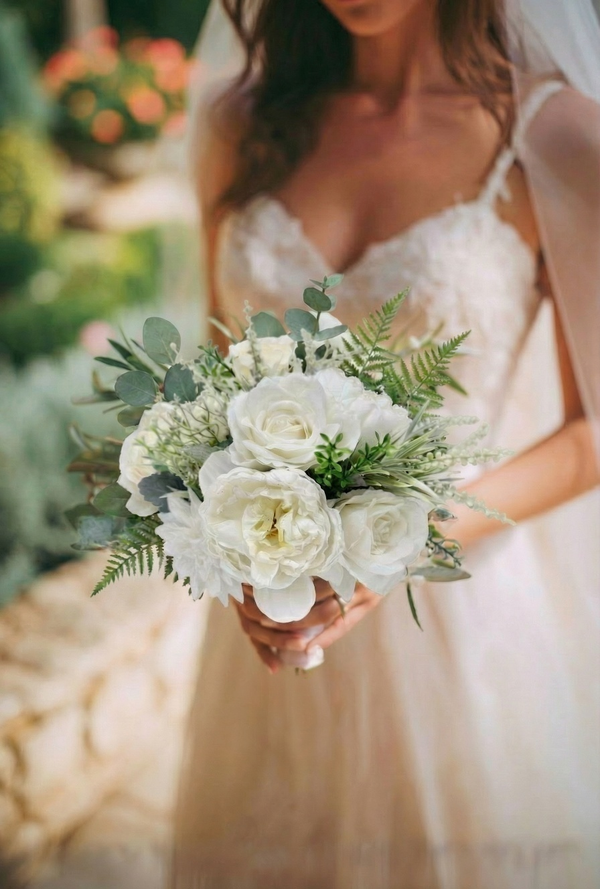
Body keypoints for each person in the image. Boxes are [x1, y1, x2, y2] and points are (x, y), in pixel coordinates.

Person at [170, 1, 600, 886]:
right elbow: (217, 388)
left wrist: (395, 541)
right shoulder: (238, 123)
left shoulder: (555, 137)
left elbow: (593, 431)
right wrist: (235, 545)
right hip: (274, 617)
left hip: (459, 616)